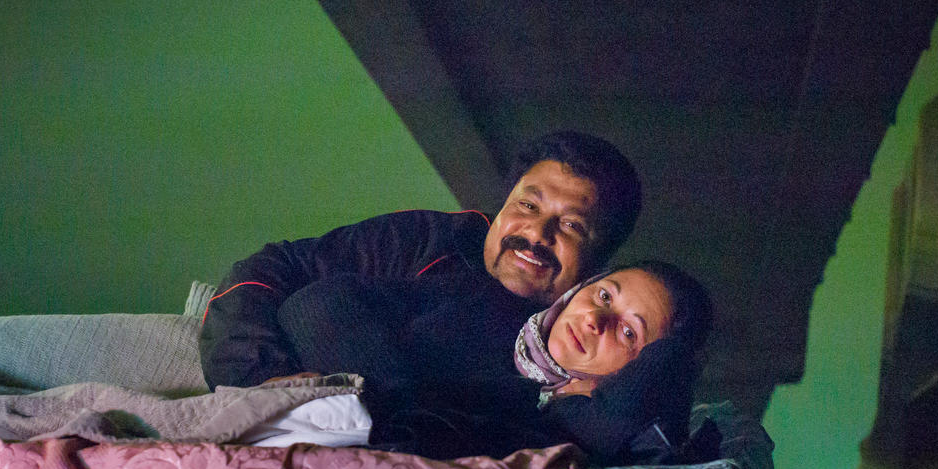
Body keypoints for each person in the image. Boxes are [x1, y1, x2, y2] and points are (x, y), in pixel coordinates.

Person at [200, 130, 642, 390]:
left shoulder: (589, 347)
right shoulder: (430, 238)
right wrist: (268, 381)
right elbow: (273, 268)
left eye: (571, 226)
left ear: (600, 264)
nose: (536, 234)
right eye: (528, 206)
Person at [276, 261, 713, 465]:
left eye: (628, 332)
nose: (596, 320)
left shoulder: (585, 428)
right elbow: (316, 304)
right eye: (603, 295)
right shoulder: (479, 303)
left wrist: (673, 356)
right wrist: (395, 405)